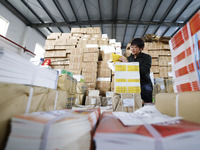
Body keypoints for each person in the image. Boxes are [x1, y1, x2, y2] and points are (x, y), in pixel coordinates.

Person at [119, 38, 153, 104]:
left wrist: (128, 65)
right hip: (132, 83)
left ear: (141, 48)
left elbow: (144, 70)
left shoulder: (147, 57)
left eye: (136, 47)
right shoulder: (128, 58)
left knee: (147, 95)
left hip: (144, 82)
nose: (133, 49)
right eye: (132, 47)